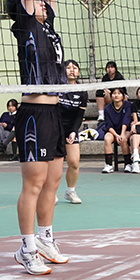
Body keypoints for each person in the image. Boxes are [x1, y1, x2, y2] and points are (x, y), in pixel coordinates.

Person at [7, 0, 68, 275]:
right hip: (33, 115)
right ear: (26, 7)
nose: (45, 2)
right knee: (33, 184)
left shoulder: (49, 24)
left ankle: (45, 238)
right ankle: (26, 248)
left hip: (55, 113)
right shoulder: (28, 24)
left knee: (53, 181)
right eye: (37, 1)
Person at [58, 60, 87, 203]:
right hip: (55, 128)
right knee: (55, 164)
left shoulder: (82, 91)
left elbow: (79, 116)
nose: (71, 70)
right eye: (68, 67)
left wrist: (74, 131)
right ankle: (50, 193)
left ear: (78, 72)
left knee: (74, 162)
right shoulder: (56, 87)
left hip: (71, 129)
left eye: (75, 68)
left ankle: (70, 191)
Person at [101, 87, 132, 173]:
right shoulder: (107, 108)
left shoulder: (128, 105)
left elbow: (126, 120)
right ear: (111, 96)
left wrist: (122, 134)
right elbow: (108, 125)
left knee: (123, 139)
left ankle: (128, 164)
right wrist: (116, 135)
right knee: (107, 138)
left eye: (119, 93)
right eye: (114, 93)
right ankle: (108, 165)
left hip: (126, 130)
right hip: (113, 131)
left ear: (123, 95)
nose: (116, 95)